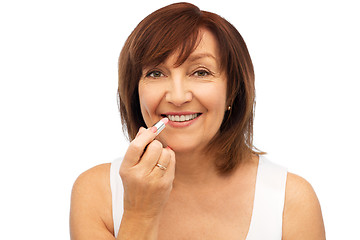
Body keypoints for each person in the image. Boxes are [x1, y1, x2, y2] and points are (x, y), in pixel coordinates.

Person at [70, 2, 325, 239]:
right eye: (156, 73)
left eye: (200, 72)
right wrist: (139, 214)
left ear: (233, 90)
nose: (178, 97)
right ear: (134, 91)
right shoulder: (96, 192)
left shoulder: (290, 200)